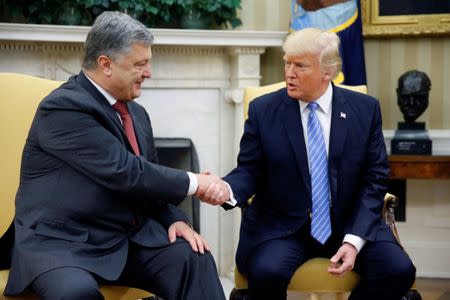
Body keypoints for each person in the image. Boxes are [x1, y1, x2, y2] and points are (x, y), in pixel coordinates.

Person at [4, 11, 226, 300]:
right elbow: (126, 171)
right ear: (105, 65)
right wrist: (197, 182)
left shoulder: (136, 113)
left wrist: (175, 219)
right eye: (140, 64)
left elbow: (148, 179)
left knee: (193, 257)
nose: (148, 73)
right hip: (62, 244)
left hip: (123, 239)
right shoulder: (62, 108)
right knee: (76, 295)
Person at [205, 28, 416, 300]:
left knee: (397, 270)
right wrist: (226, 189)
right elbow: (249, 170)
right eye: (287, 62)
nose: (289, 72)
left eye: (300, 65)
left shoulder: (364, 110)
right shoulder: (264, 110)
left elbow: (374, 179)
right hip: (284, 227)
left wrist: (353, 242)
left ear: (327, 72)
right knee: (266, 273)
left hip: (349, 224)